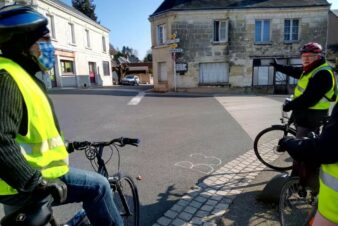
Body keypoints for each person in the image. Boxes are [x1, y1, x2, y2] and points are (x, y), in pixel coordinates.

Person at [0, 5, 123, 226]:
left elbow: (27, 132)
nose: (51, 47)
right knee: (99, 186)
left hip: (20, 181)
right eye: (45, 40)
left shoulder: (24, 76)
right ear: (23, 44)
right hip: (26, 183)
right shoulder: (7, 78)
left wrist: (65, 146)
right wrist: (36, 182)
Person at [271, 42, 336, 188]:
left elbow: (308, 99)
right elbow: (295, 71)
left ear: (319, 57)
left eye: (311, 56)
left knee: (302, 149)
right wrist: (278, 67)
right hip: (304, 114)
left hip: (311, 116)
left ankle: (298, 181)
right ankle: (301, 177)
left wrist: (290, 105)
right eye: (304, 56)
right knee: (303, 144)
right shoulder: (311, 69)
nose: (306, 59)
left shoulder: (323, 73)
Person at [278, 101, 338, 226]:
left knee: (305, 154)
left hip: (333, 210)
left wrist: (289, 143)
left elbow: (326, 149)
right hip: (313, 117)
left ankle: (298, 186)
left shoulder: (321, 79)